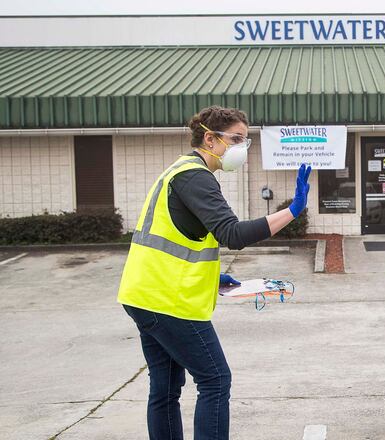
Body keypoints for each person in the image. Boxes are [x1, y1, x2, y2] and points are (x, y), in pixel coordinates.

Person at [117, 105, 311, 440]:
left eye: (245, 141)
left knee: (165, 388)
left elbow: (180, 237)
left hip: (144, 294)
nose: (241, 148)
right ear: (210, 138)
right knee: (215, 379)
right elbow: (232, 234)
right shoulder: (195, 177)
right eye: (236, 139)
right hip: (168, 300)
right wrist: (292, 211)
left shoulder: (179, 171)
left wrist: (213, 277)